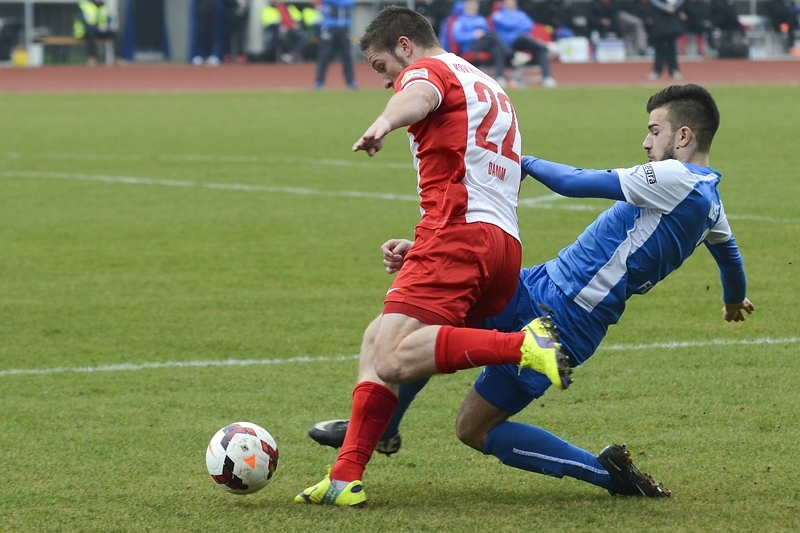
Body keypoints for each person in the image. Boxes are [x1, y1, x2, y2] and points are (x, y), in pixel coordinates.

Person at [308, 84, 755, 499]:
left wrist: (520, 161)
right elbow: (730, 256)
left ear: (683, 136)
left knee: (473, 429)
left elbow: (574, 183)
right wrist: (733, 299)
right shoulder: (712, 204)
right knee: (430, 317)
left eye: (654, 131)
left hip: (566, 318)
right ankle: (382, 427)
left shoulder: (676, 177)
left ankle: (607, 473)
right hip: (539, 284)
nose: (646, 142)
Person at [295, 5, 570, 508]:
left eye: (382, 67)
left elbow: (417, 94)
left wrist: (384, 121)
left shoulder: (427, 70)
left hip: (459, 234)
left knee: (390, 356)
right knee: (378, 337)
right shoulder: (485, 81)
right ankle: (343, 478)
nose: (386, 81)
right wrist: (422, 246)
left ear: (405, 45)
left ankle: (523, 346)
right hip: (499, 243)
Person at [491, 0, 558, 87]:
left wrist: (515, 26)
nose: (511, 3)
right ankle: (546, 47)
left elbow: (529, 25)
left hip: (521, 40)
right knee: (518, 39)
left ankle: (547, 78)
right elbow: (507, 24)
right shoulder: (498, 15)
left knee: (539, 49)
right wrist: (517, 25)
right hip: (506, 43)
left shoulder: (521, 14)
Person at [451, 0, 511, 85]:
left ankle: (500, 77)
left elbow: (488, 33)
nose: (473, 8)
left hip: (485, 43)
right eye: (470, 7)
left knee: (497, 48)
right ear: (466, 7)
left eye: (474, 7)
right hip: (470, 46)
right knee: (494, 36)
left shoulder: (481, 19)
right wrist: (473, 35)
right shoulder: (460, 21)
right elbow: (458, 37)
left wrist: (483, 34)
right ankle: (510, 53)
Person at [314, 0, 356, 89]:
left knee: (347, 56)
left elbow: (351, 2)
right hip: (329, 27)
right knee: (324, 55)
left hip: (344, 27)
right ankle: (319, 82)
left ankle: (351, 81)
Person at [646, 0, 684, 80]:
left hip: (672, 18)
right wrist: (664, 7)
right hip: (659, 18)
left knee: (672, 46)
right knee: (659, 46)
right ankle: (657, 70)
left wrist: (674, 7)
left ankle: (673, 70)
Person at [74, 0, 115, 66]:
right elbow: (82, 20)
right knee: (91, 35)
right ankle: (92, 58)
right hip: (85, 31)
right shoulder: (85, 5)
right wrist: (96, 27)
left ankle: (118, 58)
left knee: (114, 35)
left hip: (101, 30)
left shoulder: (103, 6)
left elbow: (109, 18)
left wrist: (105, 27)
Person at [193, 0, 220, 65]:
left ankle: (210, 55)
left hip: (211, 11)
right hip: (201, 11)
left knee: (211, 34)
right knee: (200, 34)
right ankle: (198, 56)